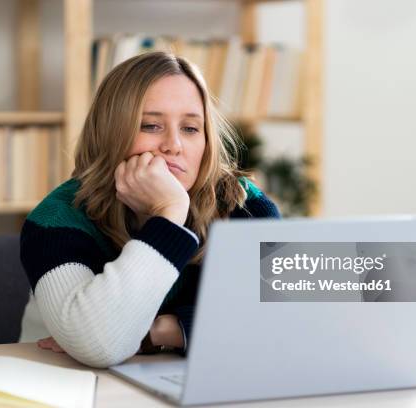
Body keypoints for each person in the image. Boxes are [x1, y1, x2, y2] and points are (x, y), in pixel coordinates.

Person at [19, 51, 281, 368]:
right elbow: (100, 345)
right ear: (110, 134)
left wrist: (156, 331)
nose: (174, 145)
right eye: (152, 125)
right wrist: (169, 212)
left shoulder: (242, 202)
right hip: (62, 383)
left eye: (190, 128)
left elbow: (287, 316)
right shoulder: (57, 219)